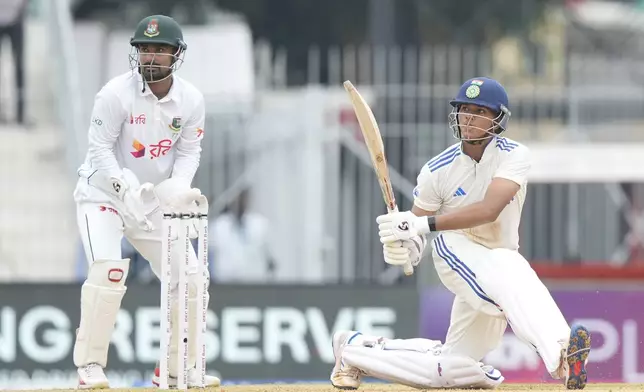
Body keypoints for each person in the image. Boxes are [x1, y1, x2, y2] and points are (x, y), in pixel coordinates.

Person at [331, 77, 592, 390]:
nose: (468, 117)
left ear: (498, 118)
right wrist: (403, 245)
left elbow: (489, 209)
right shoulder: (436, 170)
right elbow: (415, 230)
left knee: (450, 369)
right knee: (509, 272)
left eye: (479, 111)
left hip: (499, 262)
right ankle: (564, 358)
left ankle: (353, 350)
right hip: (455, 249)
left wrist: (418, 226)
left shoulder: (515, 156)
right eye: (464, 109)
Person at [72, 15, 219, 389]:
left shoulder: (191, 100)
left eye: (159, 50)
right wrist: (124, 188)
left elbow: (189, 150)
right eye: (145, 49)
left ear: (176, 55)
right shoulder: (114, 94)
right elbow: (100, 150)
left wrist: (178, 188)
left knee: (191, 278)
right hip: (103, 194)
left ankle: (171, 369)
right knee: (109, 272)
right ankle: (89, 367)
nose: (151, 57)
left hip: (152, 199)